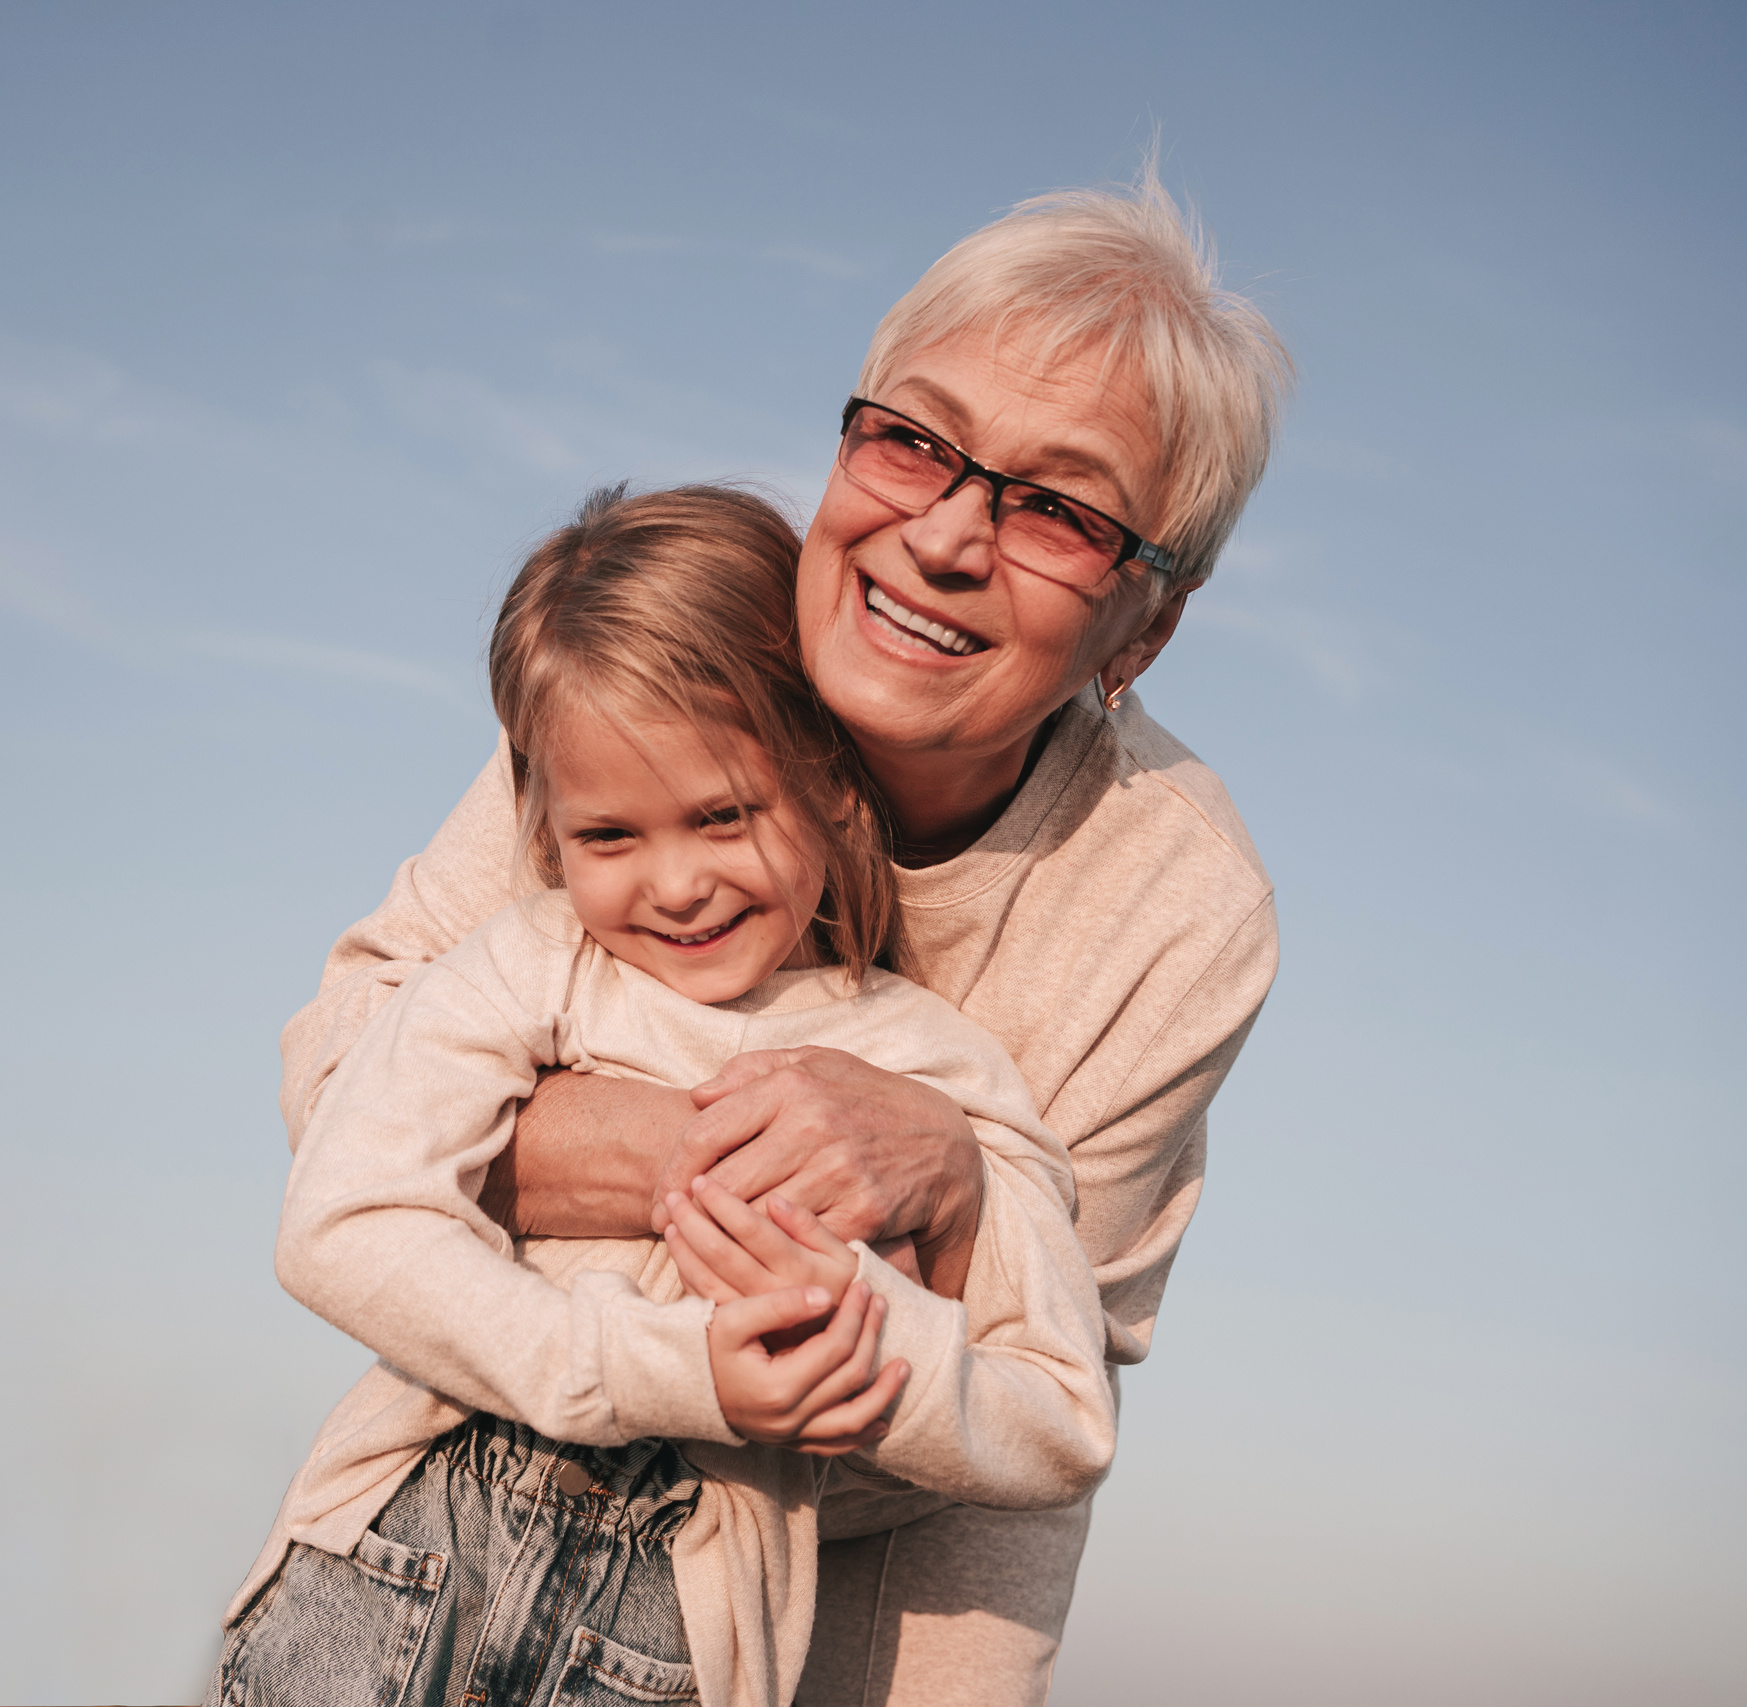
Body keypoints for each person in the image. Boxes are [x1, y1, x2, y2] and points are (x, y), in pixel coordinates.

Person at [272, 175, 1289, 1707]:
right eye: (914, 439)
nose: (945, 534)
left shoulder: (1178, 905)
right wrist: (747, 1164)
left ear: (1144, 625)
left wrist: (955, 1174)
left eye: (1061, 510)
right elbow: (347, 1084)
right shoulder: (674, 671)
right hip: (446, 1518)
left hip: (821, 1595)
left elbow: (1037, 1388)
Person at [217, 485, 1114, 1707]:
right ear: (543, 831)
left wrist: (867, 1345)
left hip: (674, 1631)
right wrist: (672, 1369)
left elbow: (1062, 1417)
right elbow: (341, 1219)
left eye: (722, 816)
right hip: (391, 1560)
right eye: (608, 837)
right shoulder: (528, 966)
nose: (677, 884)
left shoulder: (933, 1072)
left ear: (834, 785)